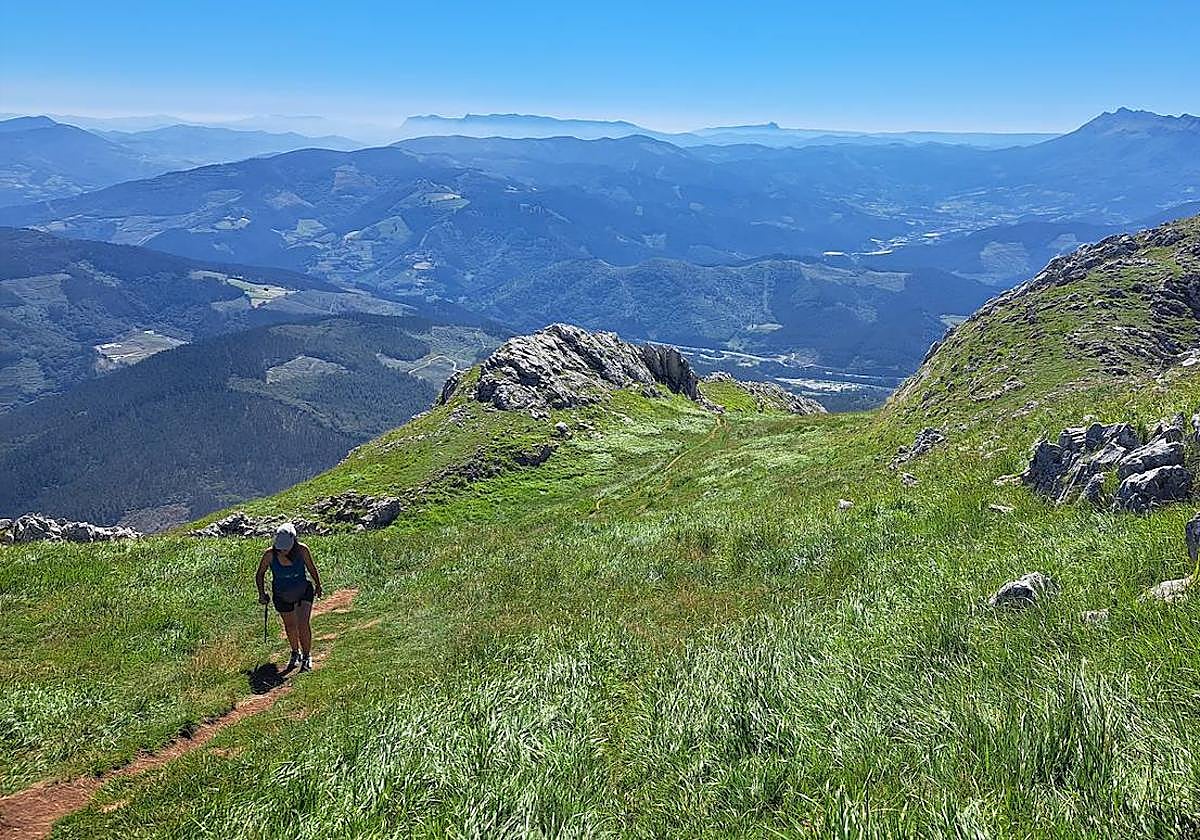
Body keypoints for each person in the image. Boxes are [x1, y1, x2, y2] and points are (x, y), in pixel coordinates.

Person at [255, 523, 323, 672]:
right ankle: (295, 652)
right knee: (290, 626)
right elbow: (260, 574)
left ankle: (306, 656)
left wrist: (318, 585)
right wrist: (261, 593)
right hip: (281, 594)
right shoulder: (269, 555)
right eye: (281, 548)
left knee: (303, 623)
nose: (283, 550)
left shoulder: (303, 550)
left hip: (303, 590)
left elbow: (311, 568)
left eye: (286, 547)